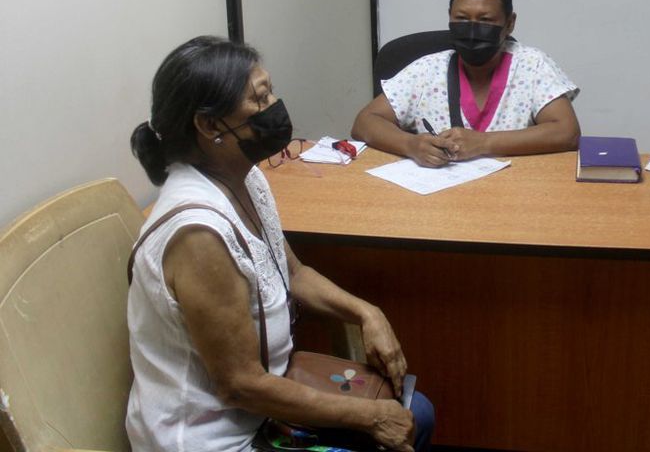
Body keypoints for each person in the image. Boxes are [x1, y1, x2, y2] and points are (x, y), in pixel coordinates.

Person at [127, 35, 434, 452]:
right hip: (216, 435)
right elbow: (240, 385)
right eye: (261, 96)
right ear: (210, 125)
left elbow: (293, 273)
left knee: (418, 411)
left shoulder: (245, 177)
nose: (275, 105)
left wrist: (367, 313)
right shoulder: (198, 235)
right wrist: (372, 416)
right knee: (398, 421)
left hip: (260, 400)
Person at [352, 0, 580, 167]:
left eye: (486, 20)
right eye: (461, 18)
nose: (472, 29)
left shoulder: (533, 65)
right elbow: (365, 122)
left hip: (514, 195)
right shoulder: (427, 69)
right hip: (437, 198)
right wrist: (410, 145)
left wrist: (484, 143)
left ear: (509, 23)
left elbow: (567, 132)